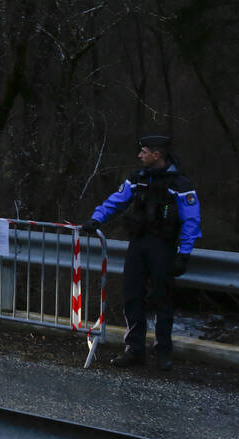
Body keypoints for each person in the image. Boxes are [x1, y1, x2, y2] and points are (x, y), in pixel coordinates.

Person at [82, 135, 202, 371]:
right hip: (138, 245)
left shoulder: (180, 185)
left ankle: (163, 353)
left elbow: (192, 220)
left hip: (163, 247)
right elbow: (116, 201)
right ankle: (134, 350)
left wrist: (184, 253)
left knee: (162, 300)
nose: (139, 155)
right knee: (132, 297)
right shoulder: (137, 179)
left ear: (156, 155)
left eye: (144, 151)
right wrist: (96, 219)